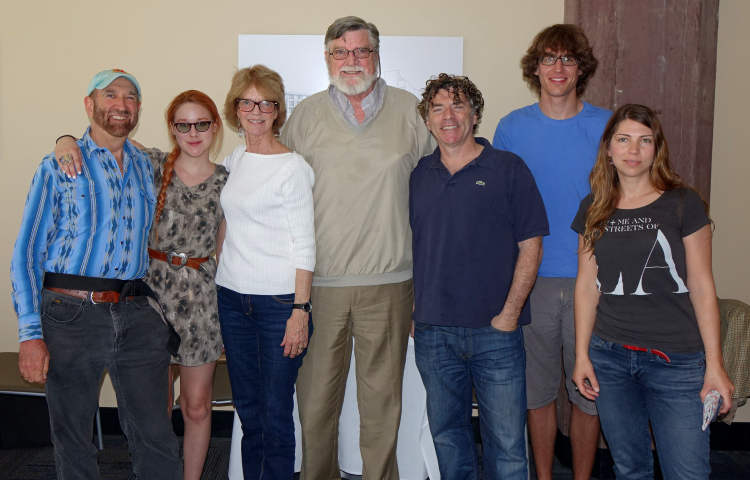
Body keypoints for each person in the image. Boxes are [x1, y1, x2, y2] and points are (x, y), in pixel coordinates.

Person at [279, 16, 434, 480]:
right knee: (315, 405)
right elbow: (276, 190)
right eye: (341, 52)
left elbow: (445, 182)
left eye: (361, 51)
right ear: (327, 58)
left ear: (377, 56)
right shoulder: (304, 116)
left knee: (383, 406)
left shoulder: (412, 111)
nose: (352, 61)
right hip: (319, 287)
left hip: (391, 283)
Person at [10, 69, 183, 479]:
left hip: (137, 313)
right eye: (110, 95)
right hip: (70, 315)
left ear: (139, 109)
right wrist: (30, 333)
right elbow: (26, 252)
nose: (120, 104)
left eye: (130, 97)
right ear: (90, 105)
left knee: (156, 433)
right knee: (73, 436)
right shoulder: (58, 166)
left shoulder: (149, 167)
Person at [54, 90, 228, 480]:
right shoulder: (150, 163)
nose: (193, 132)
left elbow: (225, 250)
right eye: (183, 124)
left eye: (202, 123)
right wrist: (64, 139)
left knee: (197, 407)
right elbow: (100, 137)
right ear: (172, 129)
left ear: (215, 126)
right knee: (154, 410)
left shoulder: (225, 181)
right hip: (149, 302)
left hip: (201, 303)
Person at [571, 104, 734, 479]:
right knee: (629, 468)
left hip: (676, 362)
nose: (633, 150)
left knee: (687, 472)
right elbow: (586, 284)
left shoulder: (683, 202)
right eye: (624, 140)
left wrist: (715, 365)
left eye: (644, 141)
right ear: (608, 149)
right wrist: (581, 355)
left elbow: (702, 285)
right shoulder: (593, 207)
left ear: (656, 149)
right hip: (610, 358)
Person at [410, 74, 548, 480]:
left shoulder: (508, 168)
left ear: (475, 114)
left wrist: (509, 315)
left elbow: (532, 246)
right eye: (437, 108)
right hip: (434, 333)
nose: (448, 116)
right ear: (428, 119)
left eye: (457, 105)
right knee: (448, 438)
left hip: (496, 333)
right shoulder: (419, 174)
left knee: (506, 445)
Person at [492, 24, 611, 480]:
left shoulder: (607, 126)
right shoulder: (512, 127)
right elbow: (497, 209)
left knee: (589, 392)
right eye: (548, 58)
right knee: (536, 393)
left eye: (567, 59)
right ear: (534, 68)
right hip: (533, 282)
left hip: (595, 283)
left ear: (581, 68)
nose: (557, 68)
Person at [217, 64, 315, 480]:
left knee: (276, 413)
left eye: (266, 103)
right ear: (235, 109)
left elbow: (305, 245)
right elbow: (226, 223)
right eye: (247, 102)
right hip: (232, 299)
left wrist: (300, 310)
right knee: (248, 409)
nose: (256, 111)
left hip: (279, 305)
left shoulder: (292, 167)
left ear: (277, 111)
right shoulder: (234, 157)